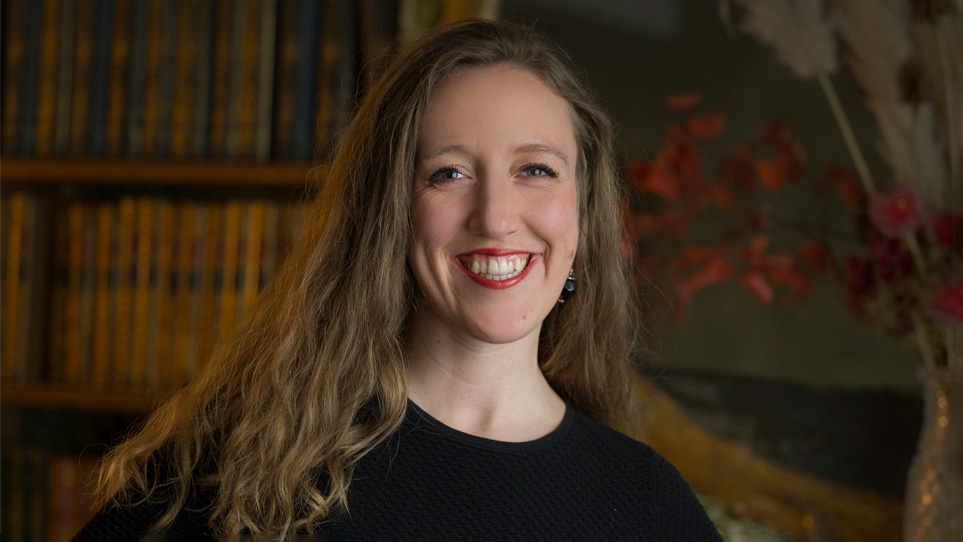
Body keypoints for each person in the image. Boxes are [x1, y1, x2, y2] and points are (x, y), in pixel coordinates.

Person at [74, 20, 722, 541]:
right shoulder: (240, 469)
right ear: (388, 216)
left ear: (585, 211)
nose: (495, 216)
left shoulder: (648, 505)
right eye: (447, 173)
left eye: (536, 169)